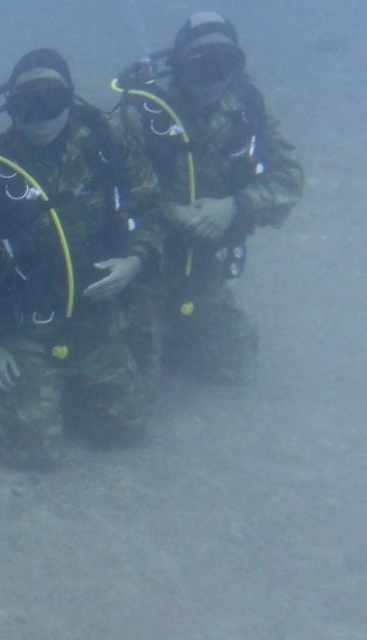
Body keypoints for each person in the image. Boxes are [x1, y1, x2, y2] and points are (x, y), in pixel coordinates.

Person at [0, 49, 163, 469]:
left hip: (95, 315)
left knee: (127, 430)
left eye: (51, 101)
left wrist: (135, 260)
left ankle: (63, 388)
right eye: (26, 105)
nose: (40, 117)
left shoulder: (104, 143)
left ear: (70, 99)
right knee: (31, 452)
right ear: (10, 108)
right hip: (24, 326)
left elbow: (150, 207)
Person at [117, 12, 304, 387]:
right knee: (135, 387)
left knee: (236, 370)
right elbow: (113, 191)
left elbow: (290, 177)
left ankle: (181, 329)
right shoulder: (143, 112)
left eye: (226, 64)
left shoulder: (249, 107)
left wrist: (235, 204)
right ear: (178, 64)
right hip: (146, 263)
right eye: (199, 65)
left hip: (205, 262)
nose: (213, 79)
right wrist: (171, 212)